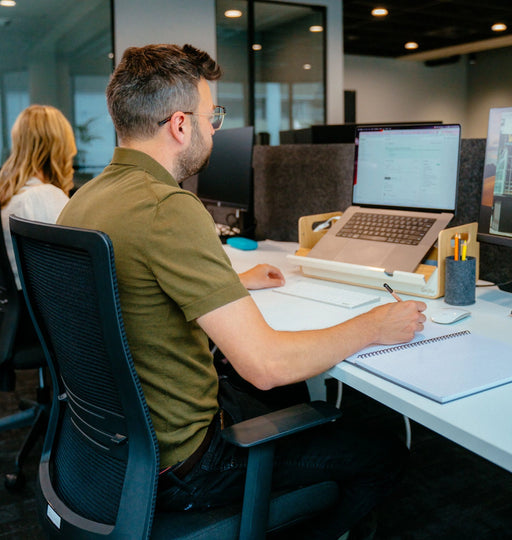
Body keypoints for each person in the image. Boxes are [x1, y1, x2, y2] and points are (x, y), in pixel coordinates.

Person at [57, 44, 427, 539]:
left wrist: (229, 281)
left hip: (114, 445)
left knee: (295, 397)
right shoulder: (168, 207)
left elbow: (142, 283)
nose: (215, 129)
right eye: (213, 116)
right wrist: (373, 325)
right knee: (382, 452)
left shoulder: (84, 201)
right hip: (187, 462)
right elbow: (266, 365)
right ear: (180, 125)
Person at [0, 104, 76, 345]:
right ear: (59, 147)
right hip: (36, 320)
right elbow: (72, 272)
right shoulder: (45, 197)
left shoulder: (8, 194)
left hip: (10, 316)